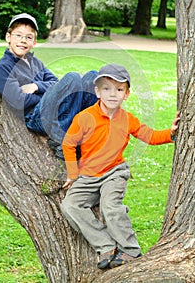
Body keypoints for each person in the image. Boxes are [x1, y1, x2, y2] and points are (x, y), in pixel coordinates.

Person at [60, 63, 180, 270]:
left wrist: (170, 133)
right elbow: (68, 144)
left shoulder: (128, 119)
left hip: (114, 173)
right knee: (70, 206)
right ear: (97, 92)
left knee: (110, 207)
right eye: (106, 88)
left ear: (126, 94)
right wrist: (73, 174)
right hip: (88, 176)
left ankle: (131, 250)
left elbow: (149, 136)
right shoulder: (84, 118)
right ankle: (105, 245)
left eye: (119, 89)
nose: (112, 94)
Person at [0, 13, 97, 159]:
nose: (23, 41)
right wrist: (48, 95)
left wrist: (36, 86)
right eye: (18, 35)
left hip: (54, 109)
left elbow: (55, 82)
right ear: (8, 37)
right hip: (36, 117)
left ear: (34, 42)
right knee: (72, 78)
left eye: (29, 37)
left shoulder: (35, 62)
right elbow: (18, 101)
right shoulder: (3, 68)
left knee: (93, 77)